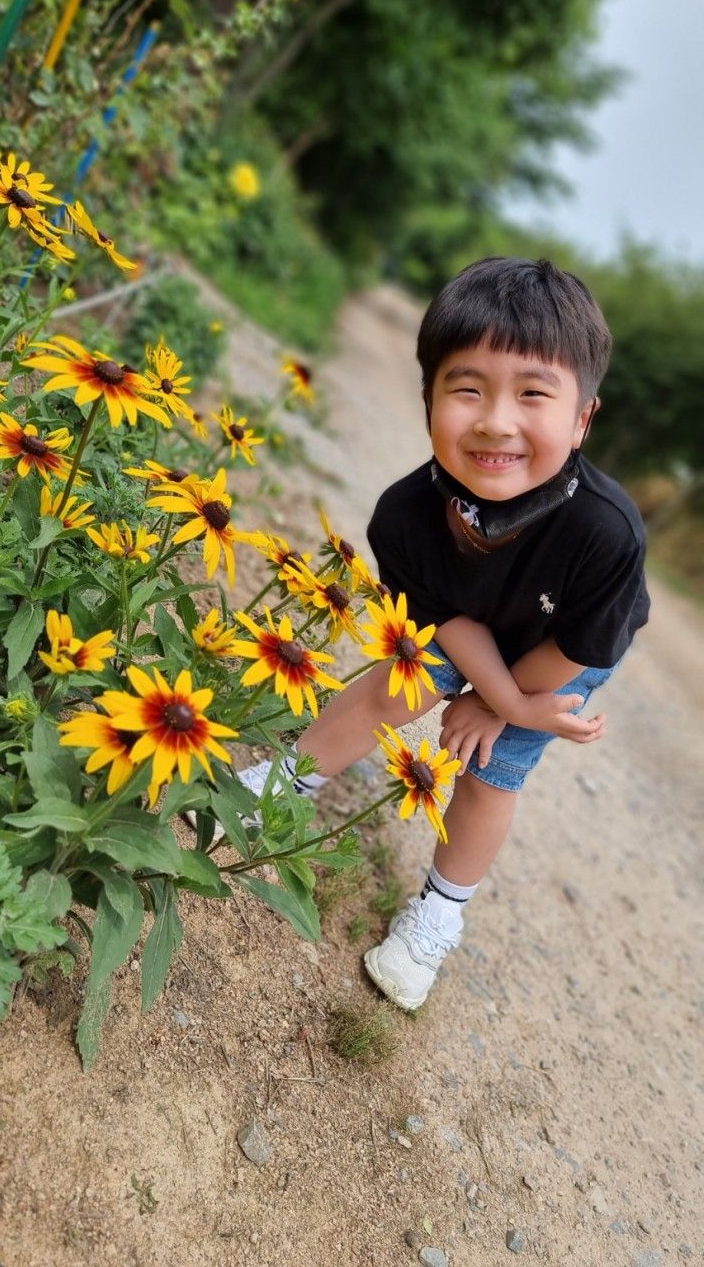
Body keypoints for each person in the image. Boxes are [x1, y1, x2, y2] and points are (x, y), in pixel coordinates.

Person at [239, 256, 650, 1011]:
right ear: (426, 395)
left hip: (557, 656)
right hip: (467, 625)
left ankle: (438, 910)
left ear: (582, 418)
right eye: (467, 388)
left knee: (493, 771)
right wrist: (485, 687)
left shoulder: (605, 532)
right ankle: (281, 782)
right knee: (386, 688)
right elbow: (443, 619)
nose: (496, 420)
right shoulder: (404, 514)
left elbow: (577, 649)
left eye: (533, 394)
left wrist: (504, 707)